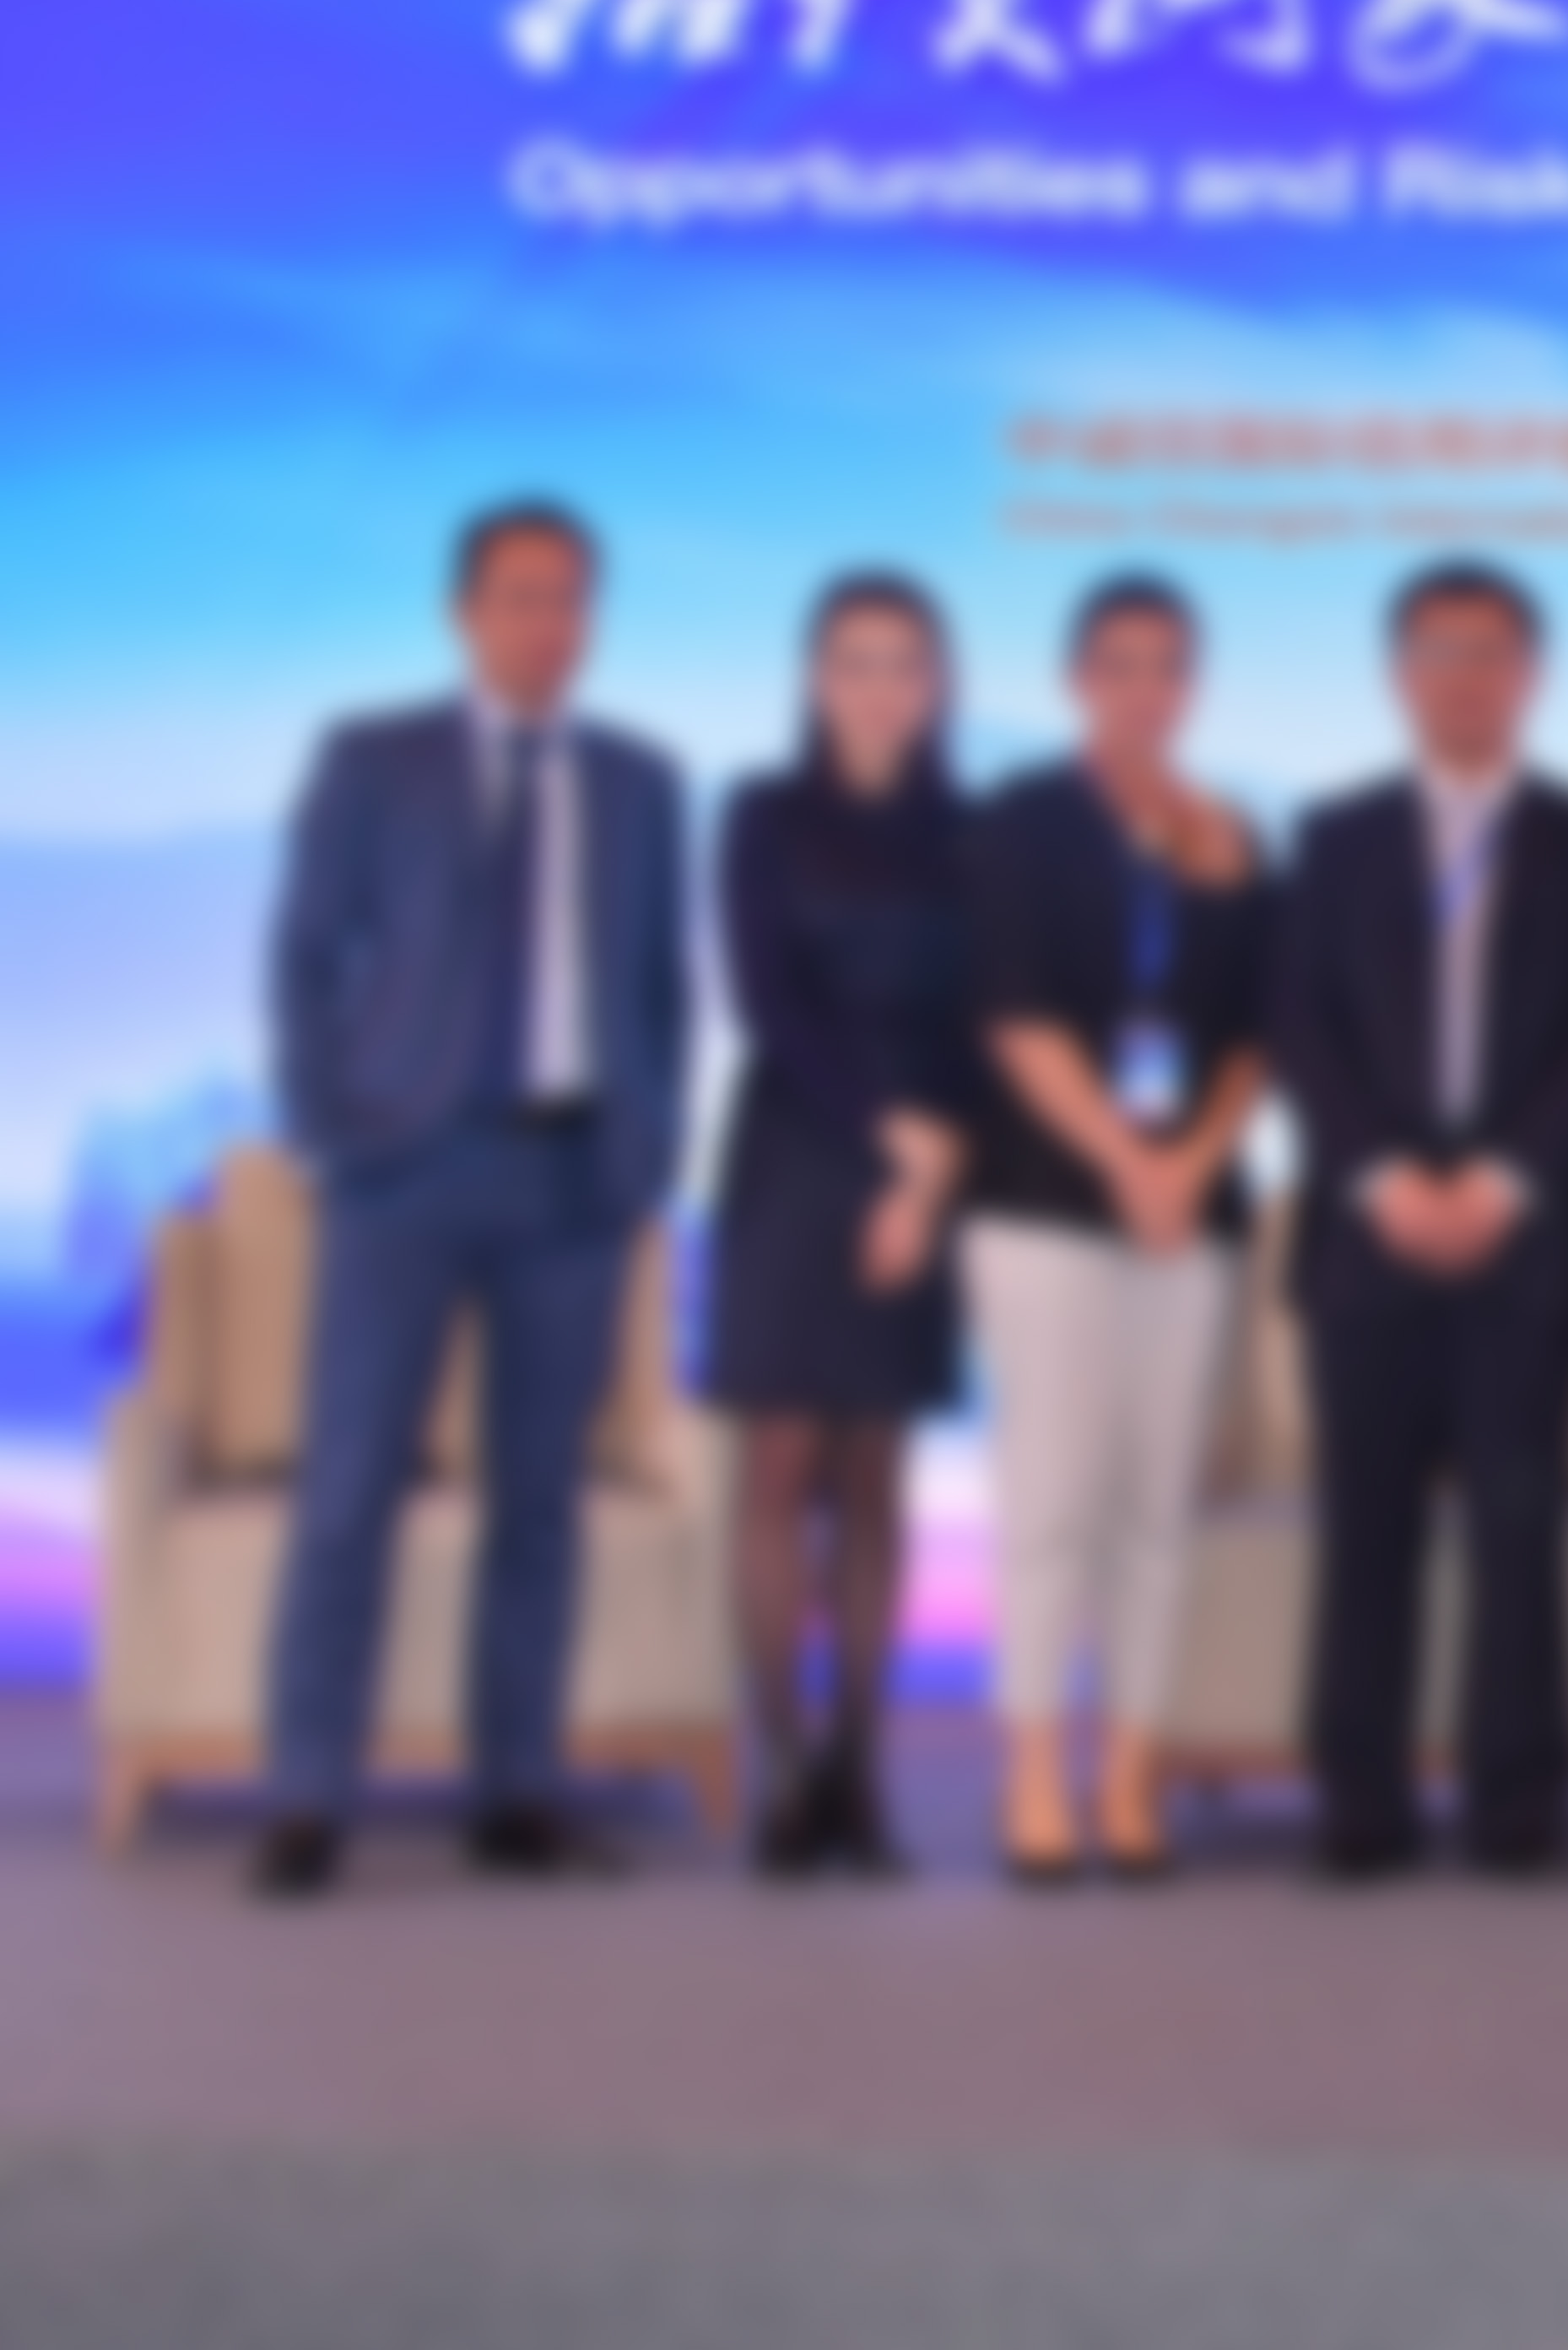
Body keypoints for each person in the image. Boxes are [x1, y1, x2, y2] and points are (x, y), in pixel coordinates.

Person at [252, 501, 692, 1903]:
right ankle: (308, 1795)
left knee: (539, 1499)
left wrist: (651, 1150)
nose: (548, 624)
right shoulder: (371, 760)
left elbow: (663, 988)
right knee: (348, 1488)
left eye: (571, 598)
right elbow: (304, 954)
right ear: (462, 612)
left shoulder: (640, 780)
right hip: (405, 1172)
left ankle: (517, 1791)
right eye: (520, 596)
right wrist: (331, 1129)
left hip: (572, 1176)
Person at [1270, 561, 1568, 1883]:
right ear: (1399, 674)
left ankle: (1518, 1798)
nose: (1466, 676)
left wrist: (1501, 1181)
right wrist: (1384, 1177)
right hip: (1365, 1236)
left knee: (1519, 1526)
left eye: (1492, 652)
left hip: (1527, 1239)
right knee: (1364, 1527)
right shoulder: (1333, 836)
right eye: (1439, 650)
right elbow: (1299, 1024)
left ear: (1531, 675)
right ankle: (1359, 1798)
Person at [961, 572, 1272, 1887]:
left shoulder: (1229, 833)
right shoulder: (1021, 819)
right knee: (1051, 1502)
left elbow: (1261, 1029)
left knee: (1155, 1506)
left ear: (1193, 686)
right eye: (1121, 665)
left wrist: (1191, 1161)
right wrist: (1121, 1159)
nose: (1147, 691)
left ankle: (1128, 1776)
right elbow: (1014, 1013)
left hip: (1188, 1215)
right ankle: (1033, 1774)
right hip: (1047, 1202)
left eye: (1169, 667)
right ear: (1077, 680)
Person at [700, 570, 979, 1884]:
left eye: (903, 662)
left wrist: (924, 1183)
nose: (879, 687)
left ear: (938, 684)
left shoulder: (974, 832)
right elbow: (769, 1000)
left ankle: (860, 1774)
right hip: (798, 1148)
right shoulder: (761, 814)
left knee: (873, 1470)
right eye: (855, 661)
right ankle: (784, 1769)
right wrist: (884, 1134)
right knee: (778, 1463)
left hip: (927, 1164)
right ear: (817, 679)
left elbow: (986, 1018)